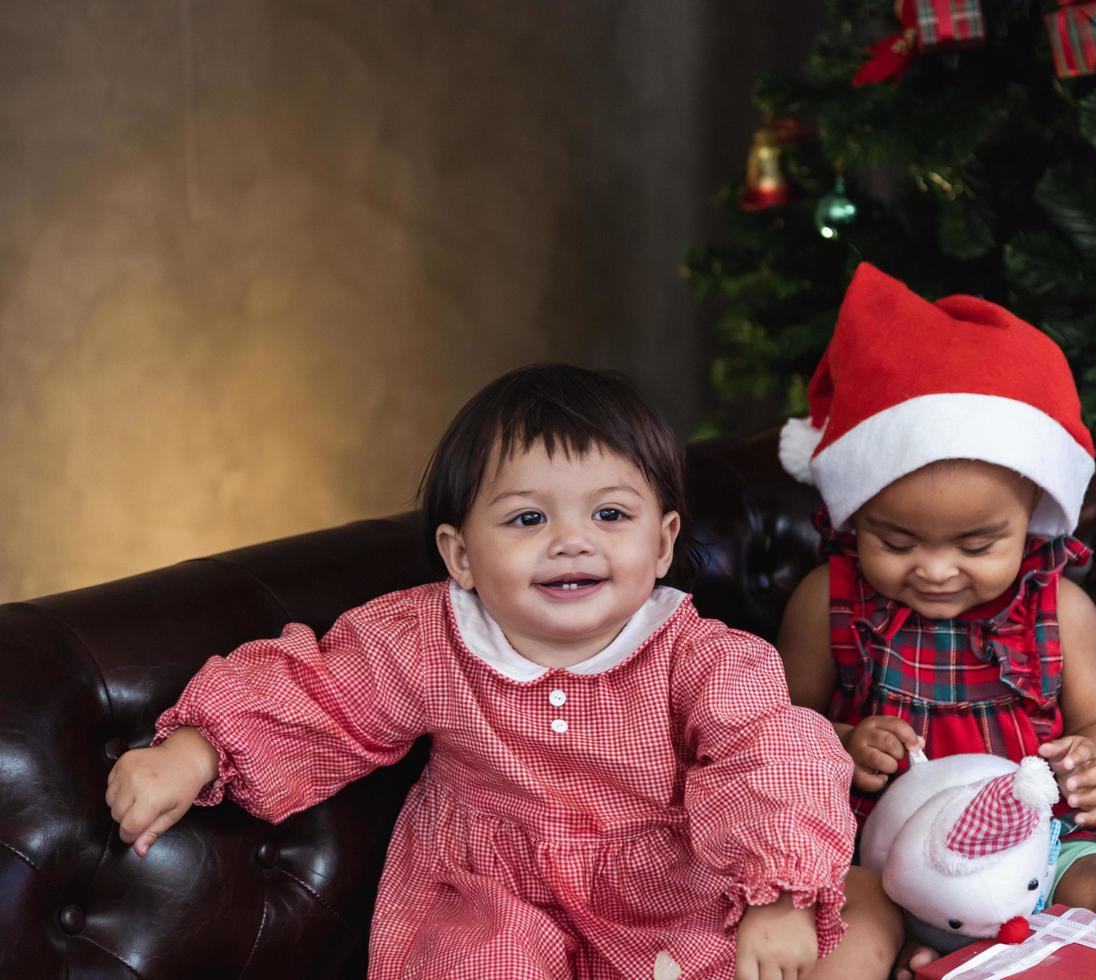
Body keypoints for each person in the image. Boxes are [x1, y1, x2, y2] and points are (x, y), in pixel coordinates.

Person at [106, 363, 897, 980]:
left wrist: (778, 893)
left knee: (838, 929)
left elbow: (773, 752)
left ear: (662, 546)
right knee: (477, 959)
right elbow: (323, 693)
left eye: (610, 515)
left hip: (671, 888)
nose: (571, 541)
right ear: (461, 555)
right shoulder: (427, 638)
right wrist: (195, 750)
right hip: (493, 896)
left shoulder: (705, 657)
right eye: (527, 518)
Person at [775, 264, 1096, 980]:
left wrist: (1094, 765)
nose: (933, 570)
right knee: (855, 921)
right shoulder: (828, 599)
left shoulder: (1058, 609)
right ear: (854, 513)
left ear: (1032, 521)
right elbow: (775, 734)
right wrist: (844, 743)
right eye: (895, 542)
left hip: (1042, 844)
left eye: (976, 545)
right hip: (884, 848)